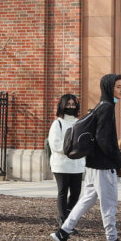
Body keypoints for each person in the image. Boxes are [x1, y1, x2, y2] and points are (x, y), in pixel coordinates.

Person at [51, 74, 121, 241]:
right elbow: (104, 139)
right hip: (103, 165)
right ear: (109, 88)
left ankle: (63, 232)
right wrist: (117, 159)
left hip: (93, 164)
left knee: (86, 200)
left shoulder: (101, 106)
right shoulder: (107, 108)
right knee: (109, 203)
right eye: (118, 87)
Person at [46, 94, 85, 225]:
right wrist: (71, 147)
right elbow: (55, 144)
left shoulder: (79, 123)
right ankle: (64, 221)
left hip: (77, 164)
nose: (71, 107)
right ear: (62, 106)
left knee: (76, 193)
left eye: (73, 104)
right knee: (63, 191)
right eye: (68, 104)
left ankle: (66, 215)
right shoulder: (57, 124)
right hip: (61, 164)